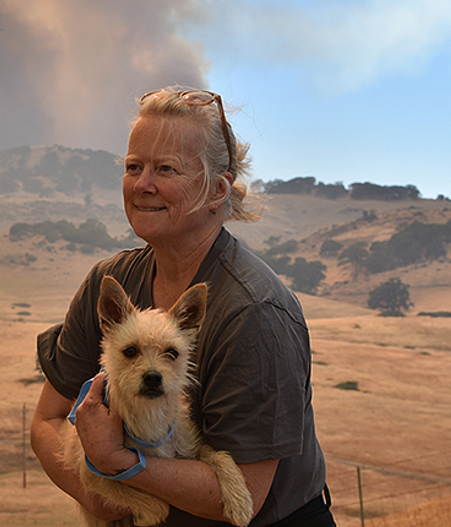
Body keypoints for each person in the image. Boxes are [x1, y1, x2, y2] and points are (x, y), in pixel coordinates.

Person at [30, 86, 336, 526]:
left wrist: (116, 462)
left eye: (165, 169)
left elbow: (240, 498)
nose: (142, 184)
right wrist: (100, 497)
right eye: (133, 166)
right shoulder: (110, 282)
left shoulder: (253, 312)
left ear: (216, 191)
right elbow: (48, 420)